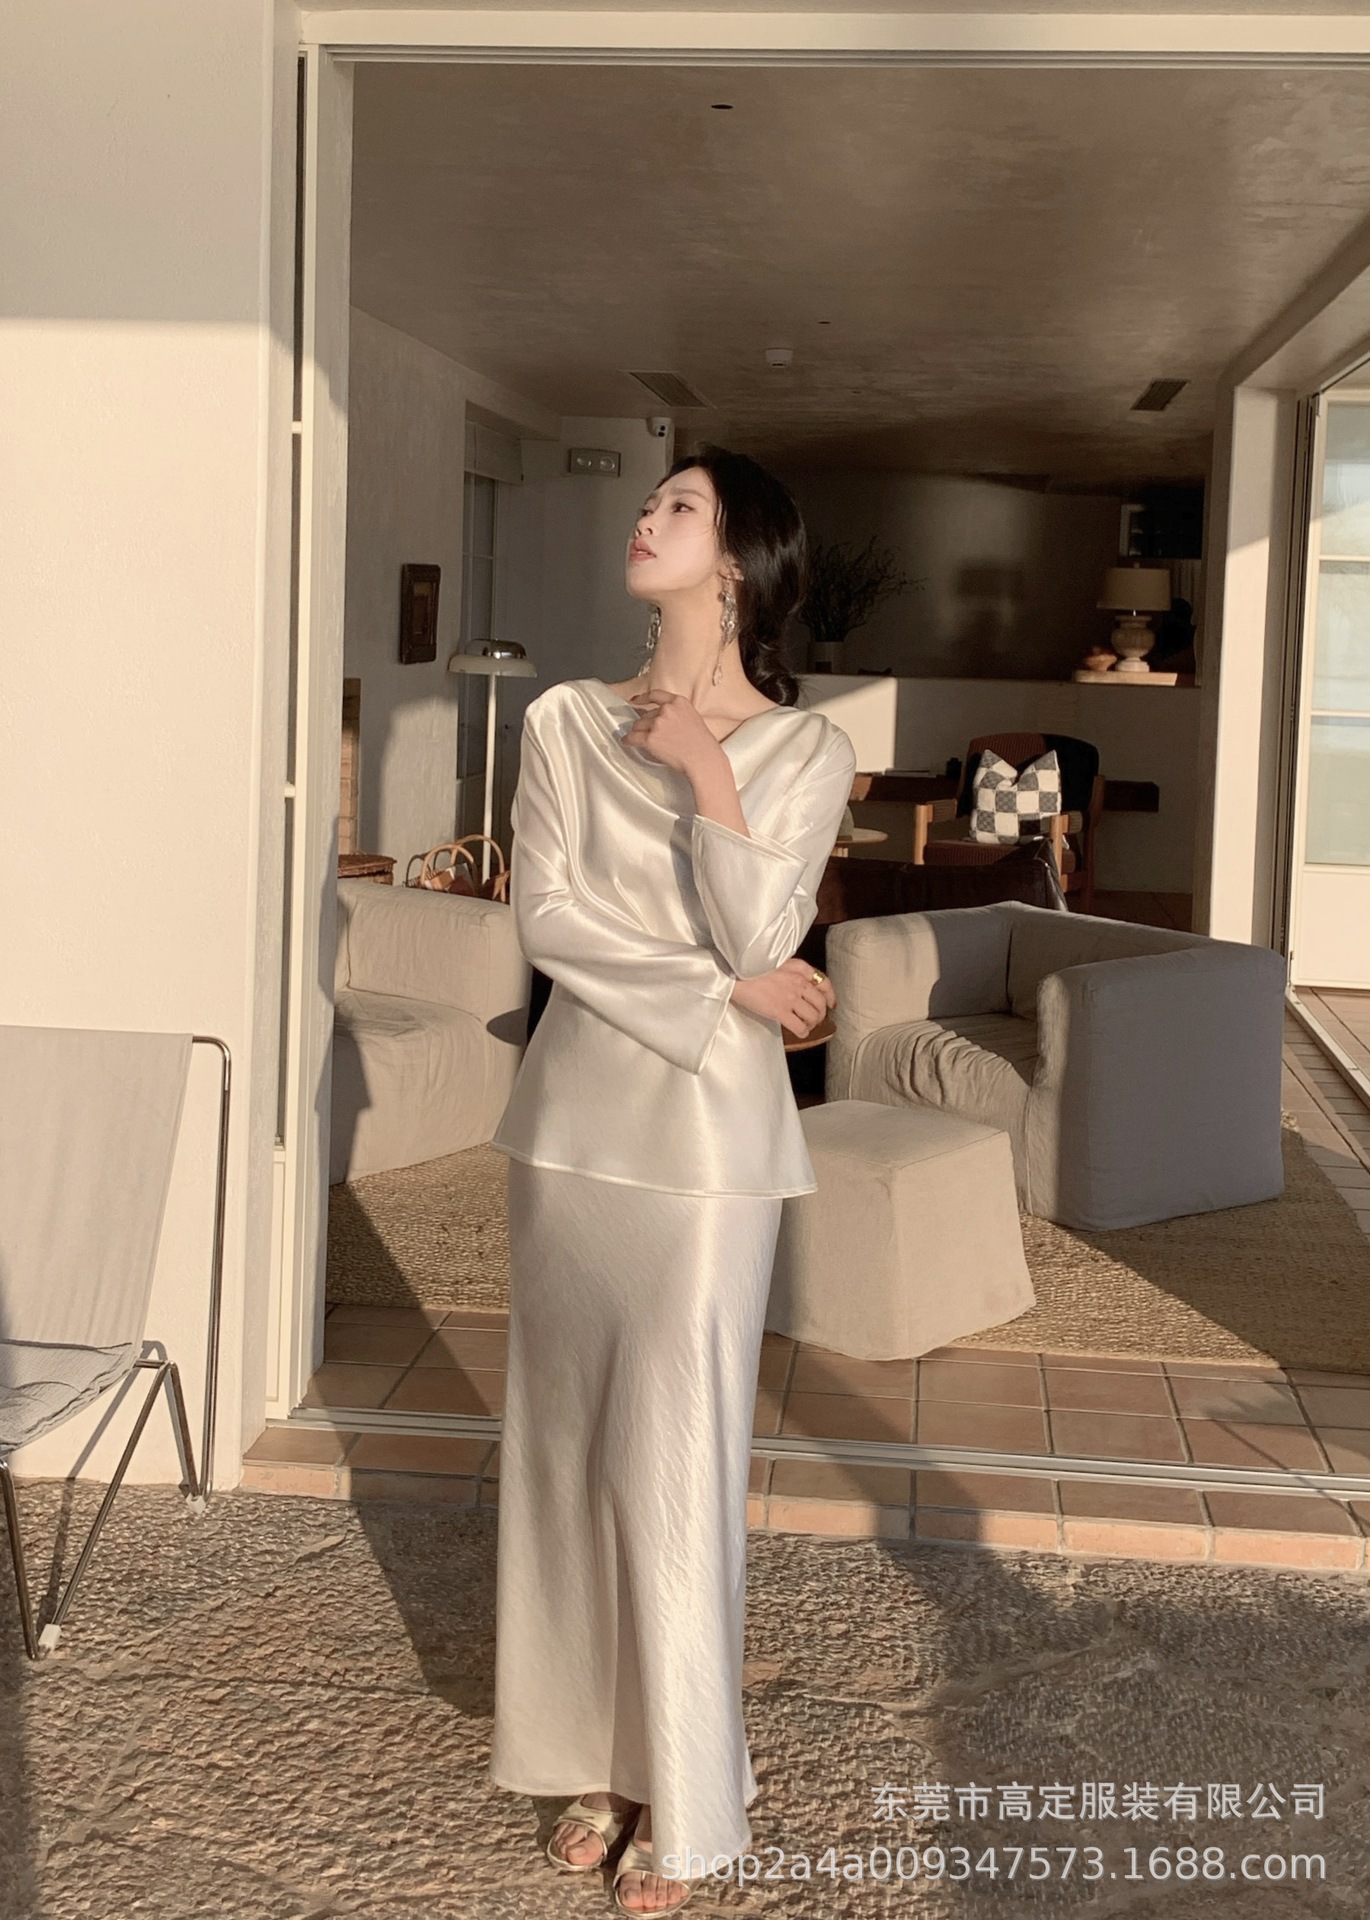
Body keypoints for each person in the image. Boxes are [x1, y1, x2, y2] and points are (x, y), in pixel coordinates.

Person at [486, 445, 858, 1914]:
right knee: (567, 1461)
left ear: (741, 562)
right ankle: (599, 1751)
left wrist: (704, 767)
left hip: (706, 1158)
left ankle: (693, 1794)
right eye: (650, 503)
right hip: (568, 1137)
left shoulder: (807, 751)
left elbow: (764, 928)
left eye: (680, 507)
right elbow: (546, 918)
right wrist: (719, 995)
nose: (647, 518)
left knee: (675, 1464)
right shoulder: (563, 720)